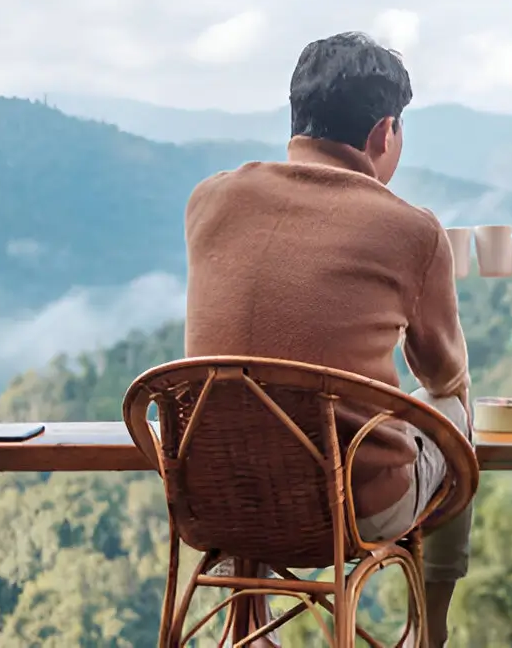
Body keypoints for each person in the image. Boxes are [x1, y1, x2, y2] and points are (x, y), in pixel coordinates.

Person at [184, 32, 472, 648]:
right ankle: (432, 633)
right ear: (384, 133)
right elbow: (445, 375)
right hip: (351, 510)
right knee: (453, 412)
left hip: (213, 498)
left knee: (253, 398)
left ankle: (247, 626)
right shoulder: (412, 229)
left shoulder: (208, 200)